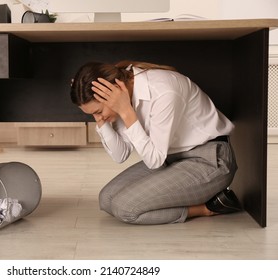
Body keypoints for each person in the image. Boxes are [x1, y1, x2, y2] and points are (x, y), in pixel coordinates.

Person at [70, 60, 242, 225]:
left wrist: (126, 111)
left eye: (99, 111)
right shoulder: (122, 95)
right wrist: (101, 120)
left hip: (210, 160)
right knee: (106, 199)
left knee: (125, 208)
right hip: (172, 157)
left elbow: (154, 161)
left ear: (114, 89)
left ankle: (208, 207)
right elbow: (120, 155)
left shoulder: (163, 91)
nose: (99, 117)